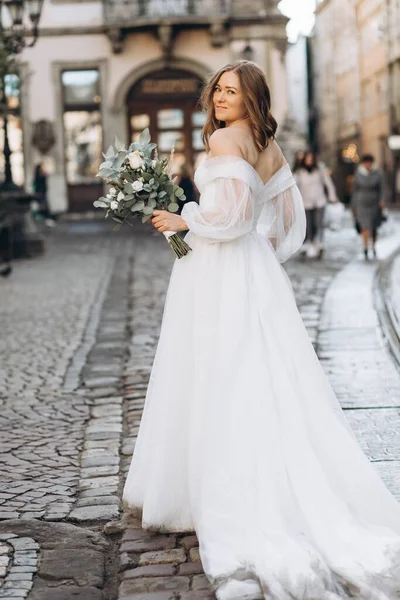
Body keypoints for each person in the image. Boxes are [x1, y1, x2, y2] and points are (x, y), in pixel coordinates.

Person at [123, 60, 400, 599]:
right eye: (218, 90)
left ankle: (222, 493)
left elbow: (230, 221)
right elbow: (287, 218)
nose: (221, 98)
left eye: (232, 91)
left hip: (218, 273)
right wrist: (261, 256)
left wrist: (185, 220)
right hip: (250, 273)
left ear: (252, 99)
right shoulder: (268, 147)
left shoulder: (227, 142)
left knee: (217, 374)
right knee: (262, 376)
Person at [295, 151, 337, 258]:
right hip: (305, 202)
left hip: (319, 200)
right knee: (308, 225)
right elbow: (295, 186)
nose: (309, 161)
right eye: (307, 159)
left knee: (319, 223)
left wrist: (332, 195)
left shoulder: (320, 169)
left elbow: (328, 182)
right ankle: (309, 244)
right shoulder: (299, 172)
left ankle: (320, 244)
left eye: (311, 159)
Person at [351, 154, 385, 260]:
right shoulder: (358, 174)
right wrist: (354, 205)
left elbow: (382, 188)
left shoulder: (378, 174)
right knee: (364, 226)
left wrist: (382, 200)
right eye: (366, 162)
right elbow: (354, 190)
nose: (368, 165)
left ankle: (373, 245)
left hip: (374, 203)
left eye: (369, 162)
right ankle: (365, 248)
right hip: (361, 203)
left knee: (374, 227)